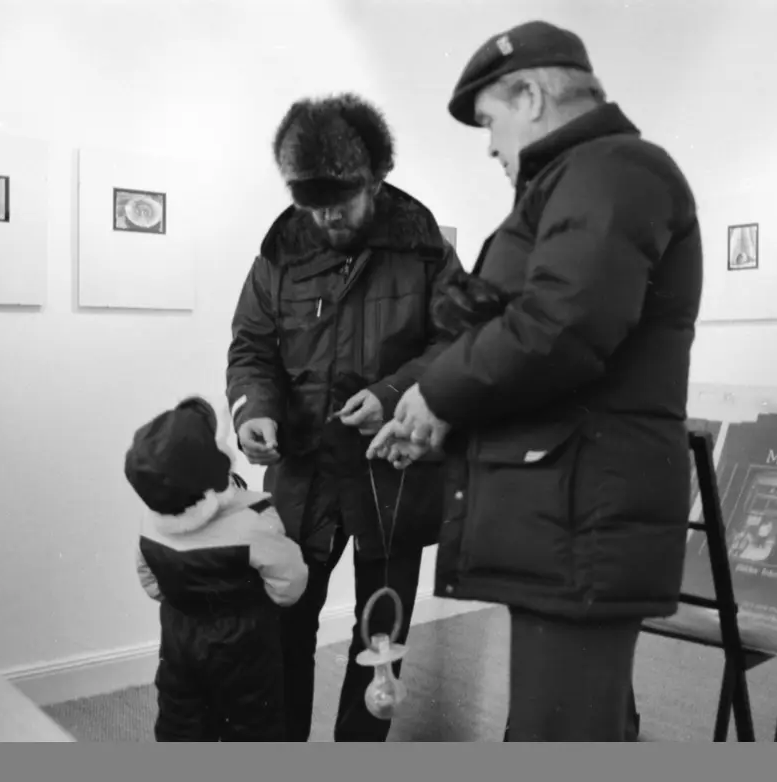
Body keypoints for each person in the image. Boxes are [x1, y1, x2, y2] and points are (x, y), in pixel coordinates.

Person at [368, 19, 703, 742]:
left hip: (582, 512)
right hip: (569, 508)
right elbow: (523, 332)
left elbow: (560, 325)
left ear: (530, 96)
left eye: (491, 121)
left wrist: (437, 394)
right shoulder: (582, 179)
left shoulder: (613, 170)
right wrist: (440, 413)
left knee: (559, 734)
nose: (490, 146)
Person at [225, 93, 464, 742]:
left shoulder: (423, 245)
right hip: (303, 473)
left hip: (392, 469)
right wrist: (254, 411)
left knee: (380, 636)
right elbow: (252, 347)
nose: (327, 216)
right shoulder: (281, 247)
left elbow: (459, 344)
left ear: (375, 181)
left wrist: (393, 393)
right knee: (282, 626)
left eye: (341, 202)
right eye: (313, 203)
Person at [124, 395, 309, 742]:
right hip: (246, 647)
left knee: (182, 720)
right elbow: (290, 584)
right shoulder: (253, 521)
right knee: (255, 726)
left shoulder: (150, 526)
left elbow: (150, 583)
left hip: (179, 640)